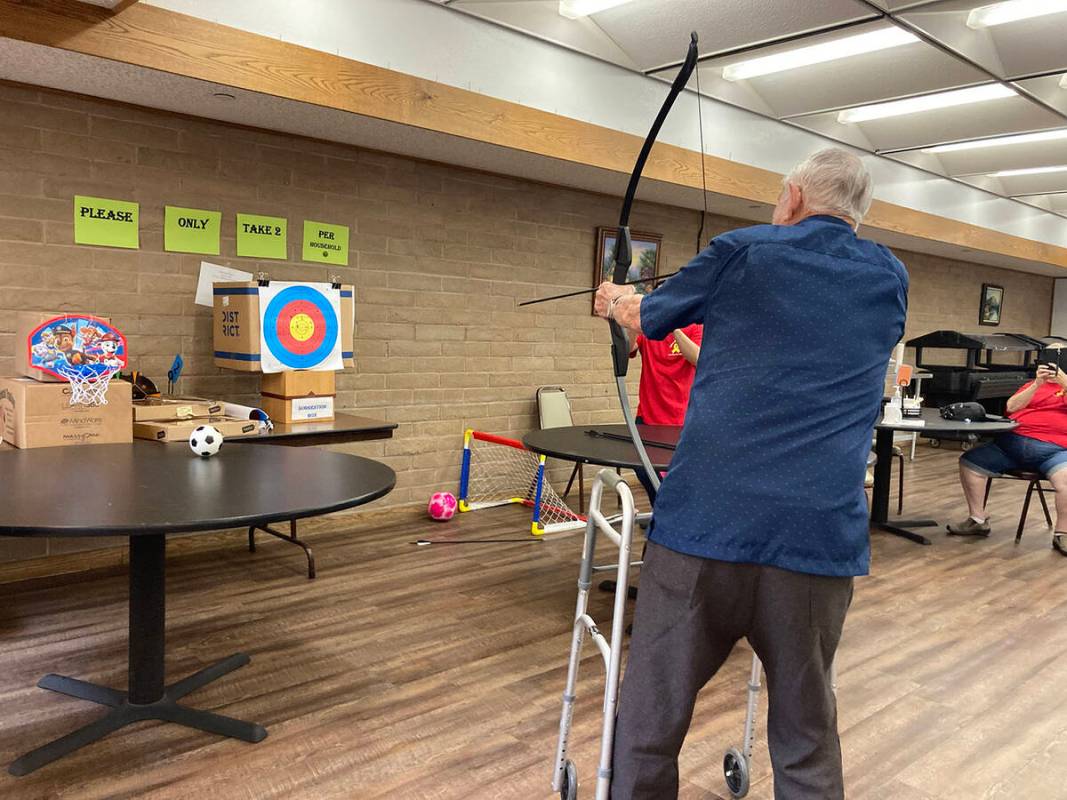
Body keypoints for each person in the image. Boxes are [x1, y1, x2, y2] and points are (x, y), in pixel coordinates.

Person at [594, 147, 908, 800]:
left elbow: (645, 318)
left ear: (792, 196)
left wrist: (618, 300)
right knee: (805, 736)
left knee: (650, 720)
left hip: (704, 531)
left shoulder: (745, 251)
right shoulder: (888, 277)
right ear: (858, 215)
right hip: (818, 543)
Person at [947, 361, 1067, 556]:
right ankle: (978, 521)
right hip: (1010, 445)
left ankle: (1063, 533)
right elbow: (1011, 407)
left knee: (1066, 479)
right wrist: (1037, 384)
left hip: (1056, 450)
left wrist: (1064, 382)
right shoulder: (1033, 384)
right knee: (970, 462)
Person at [628, 322, 703, 501]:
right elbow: (627, 350)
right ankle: (663, 511)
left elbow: (698, 358)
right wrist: (630, 321)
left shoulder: (696, 326)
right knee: (642, 468)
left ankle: (668, 513)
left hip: (681, 419)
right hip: (648, 415)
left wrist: (673, 325)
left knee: (680, 472)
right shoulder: (649, 328)